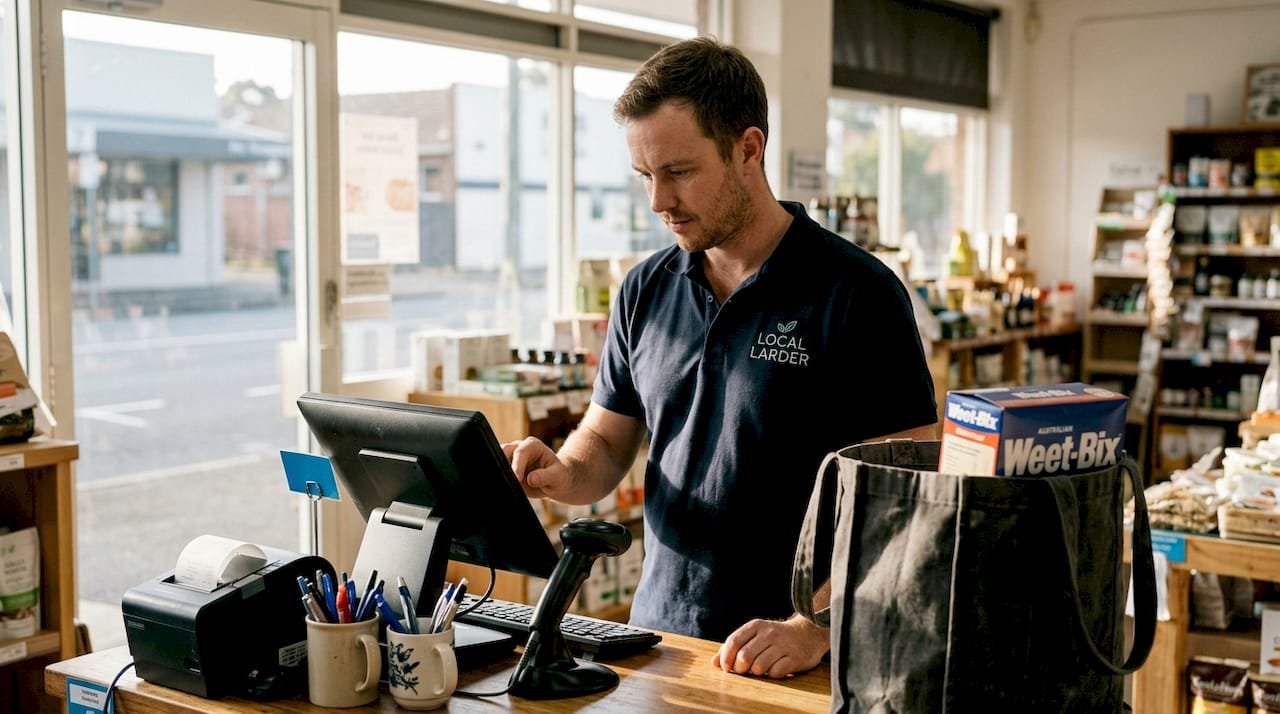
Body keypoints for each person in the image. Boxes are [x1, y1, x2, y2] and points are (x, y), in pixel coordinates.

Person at [504, 36, 937, 679]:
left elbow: (909, 492)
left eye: (678, 172)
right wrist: (564, 473)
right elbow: (606, 438)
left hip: (801, 657)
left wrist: (810, 626)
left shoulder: (858, 293)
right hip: (660, 643)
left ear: (748, 149)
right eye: (646, 176)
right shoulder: (644, 289)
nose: (658, 202)